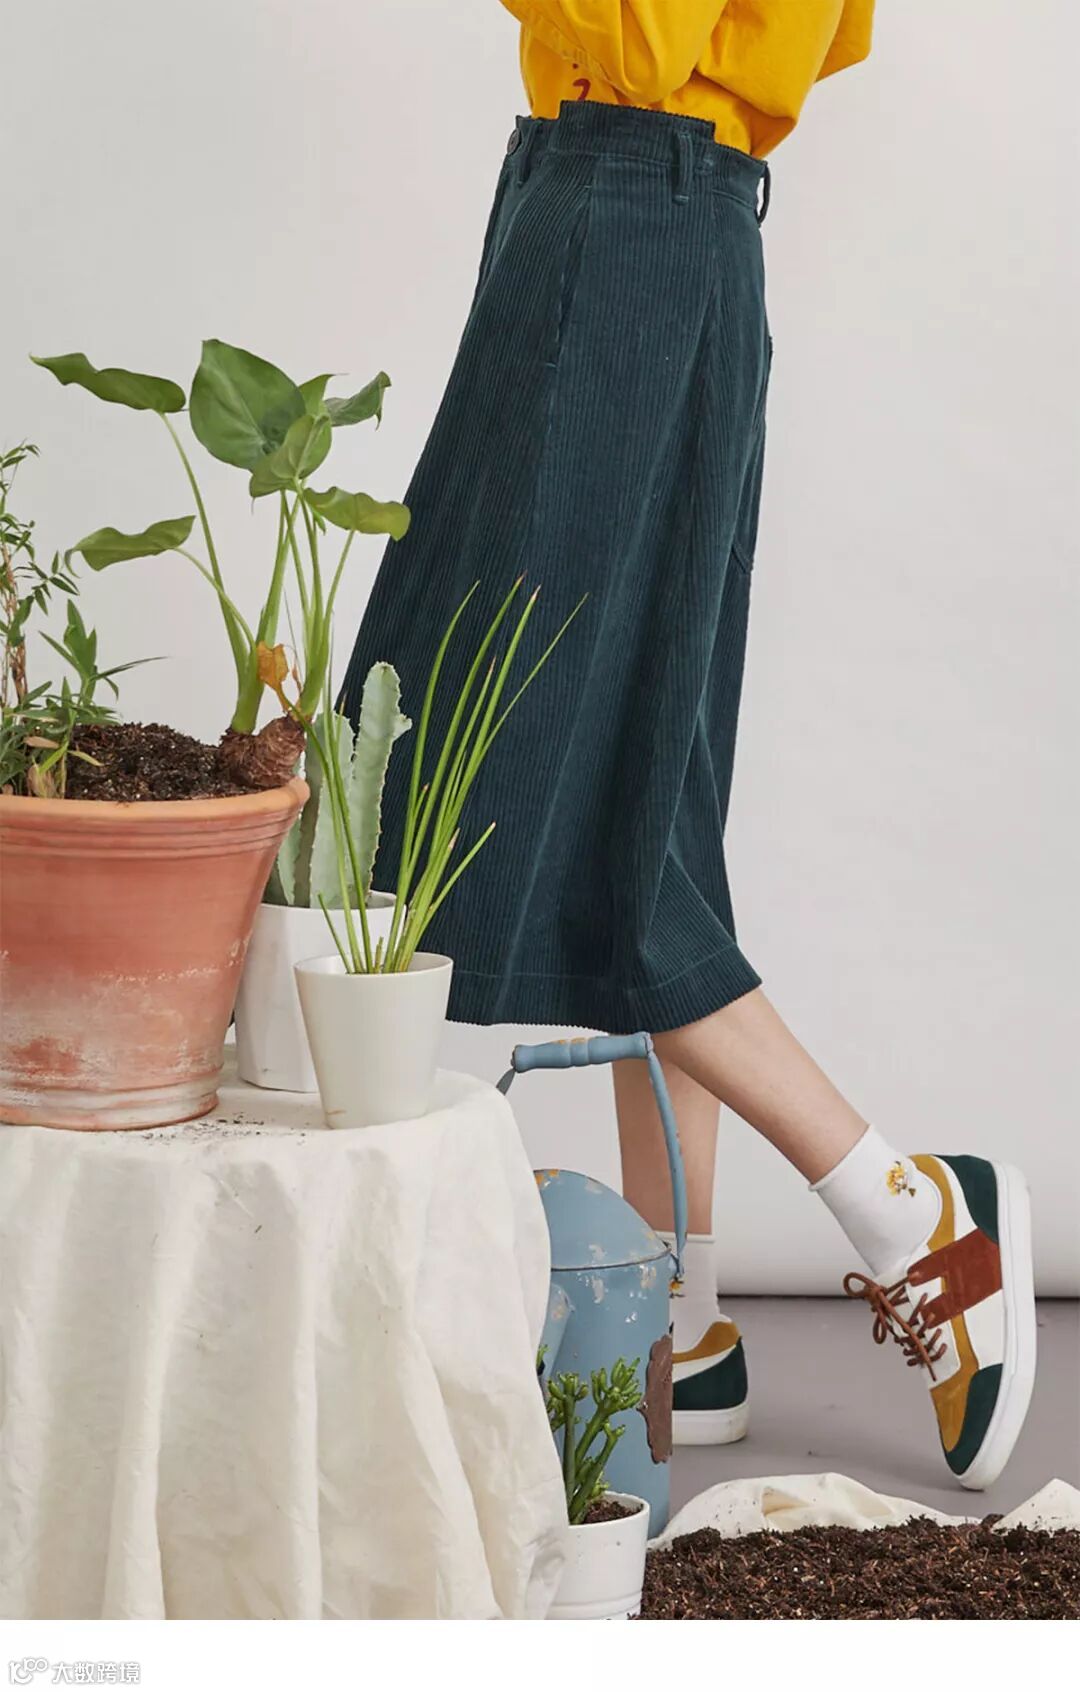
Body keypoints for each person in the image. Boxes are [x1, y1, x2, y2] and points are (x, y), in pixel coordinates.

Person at [343, 2, 1036, 1489]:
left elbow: (645, 37)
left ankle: (905, 1206)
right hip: (647, 210)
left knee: (465, 777)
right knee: (642, 796)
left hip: (626, 213)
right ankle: (683, 1314)